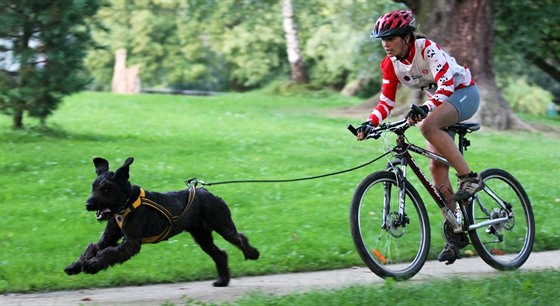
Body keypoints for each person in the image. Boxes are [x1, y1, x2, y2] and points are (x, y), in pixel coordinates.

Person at [356, 10, 484, 263]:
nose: (386, 44)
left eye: (391, 38)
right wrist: (370, 122)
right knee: (435, 165)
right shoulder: (389, 64)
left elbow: (446, 86)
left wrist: (425, 108)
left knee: (427, 126)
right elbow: (385, 102)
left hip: (464, 93)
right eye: (382, 39)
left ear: (406, 37)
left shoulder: (427, 50)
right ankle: (456, 231)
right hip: (439, 102)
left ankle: (470, 178)